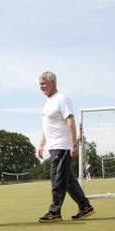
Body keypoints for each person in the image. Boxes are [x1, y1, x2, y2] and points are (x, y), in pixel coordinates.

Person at [36, 71, 95, 222]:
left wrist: (73, 143)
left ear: (53, 83)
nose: (41, 86)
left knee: (57, 179)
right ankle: (85, 206)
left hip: (62, 146)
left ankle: (55, 211)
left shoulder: (61, 99)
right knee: (68, 180)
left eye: (44, 83)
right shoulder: (48, 102)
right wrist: (41, 144)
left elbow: (70, 121)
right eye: (40, 84)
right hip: (53, 146)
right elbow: (47, 127)